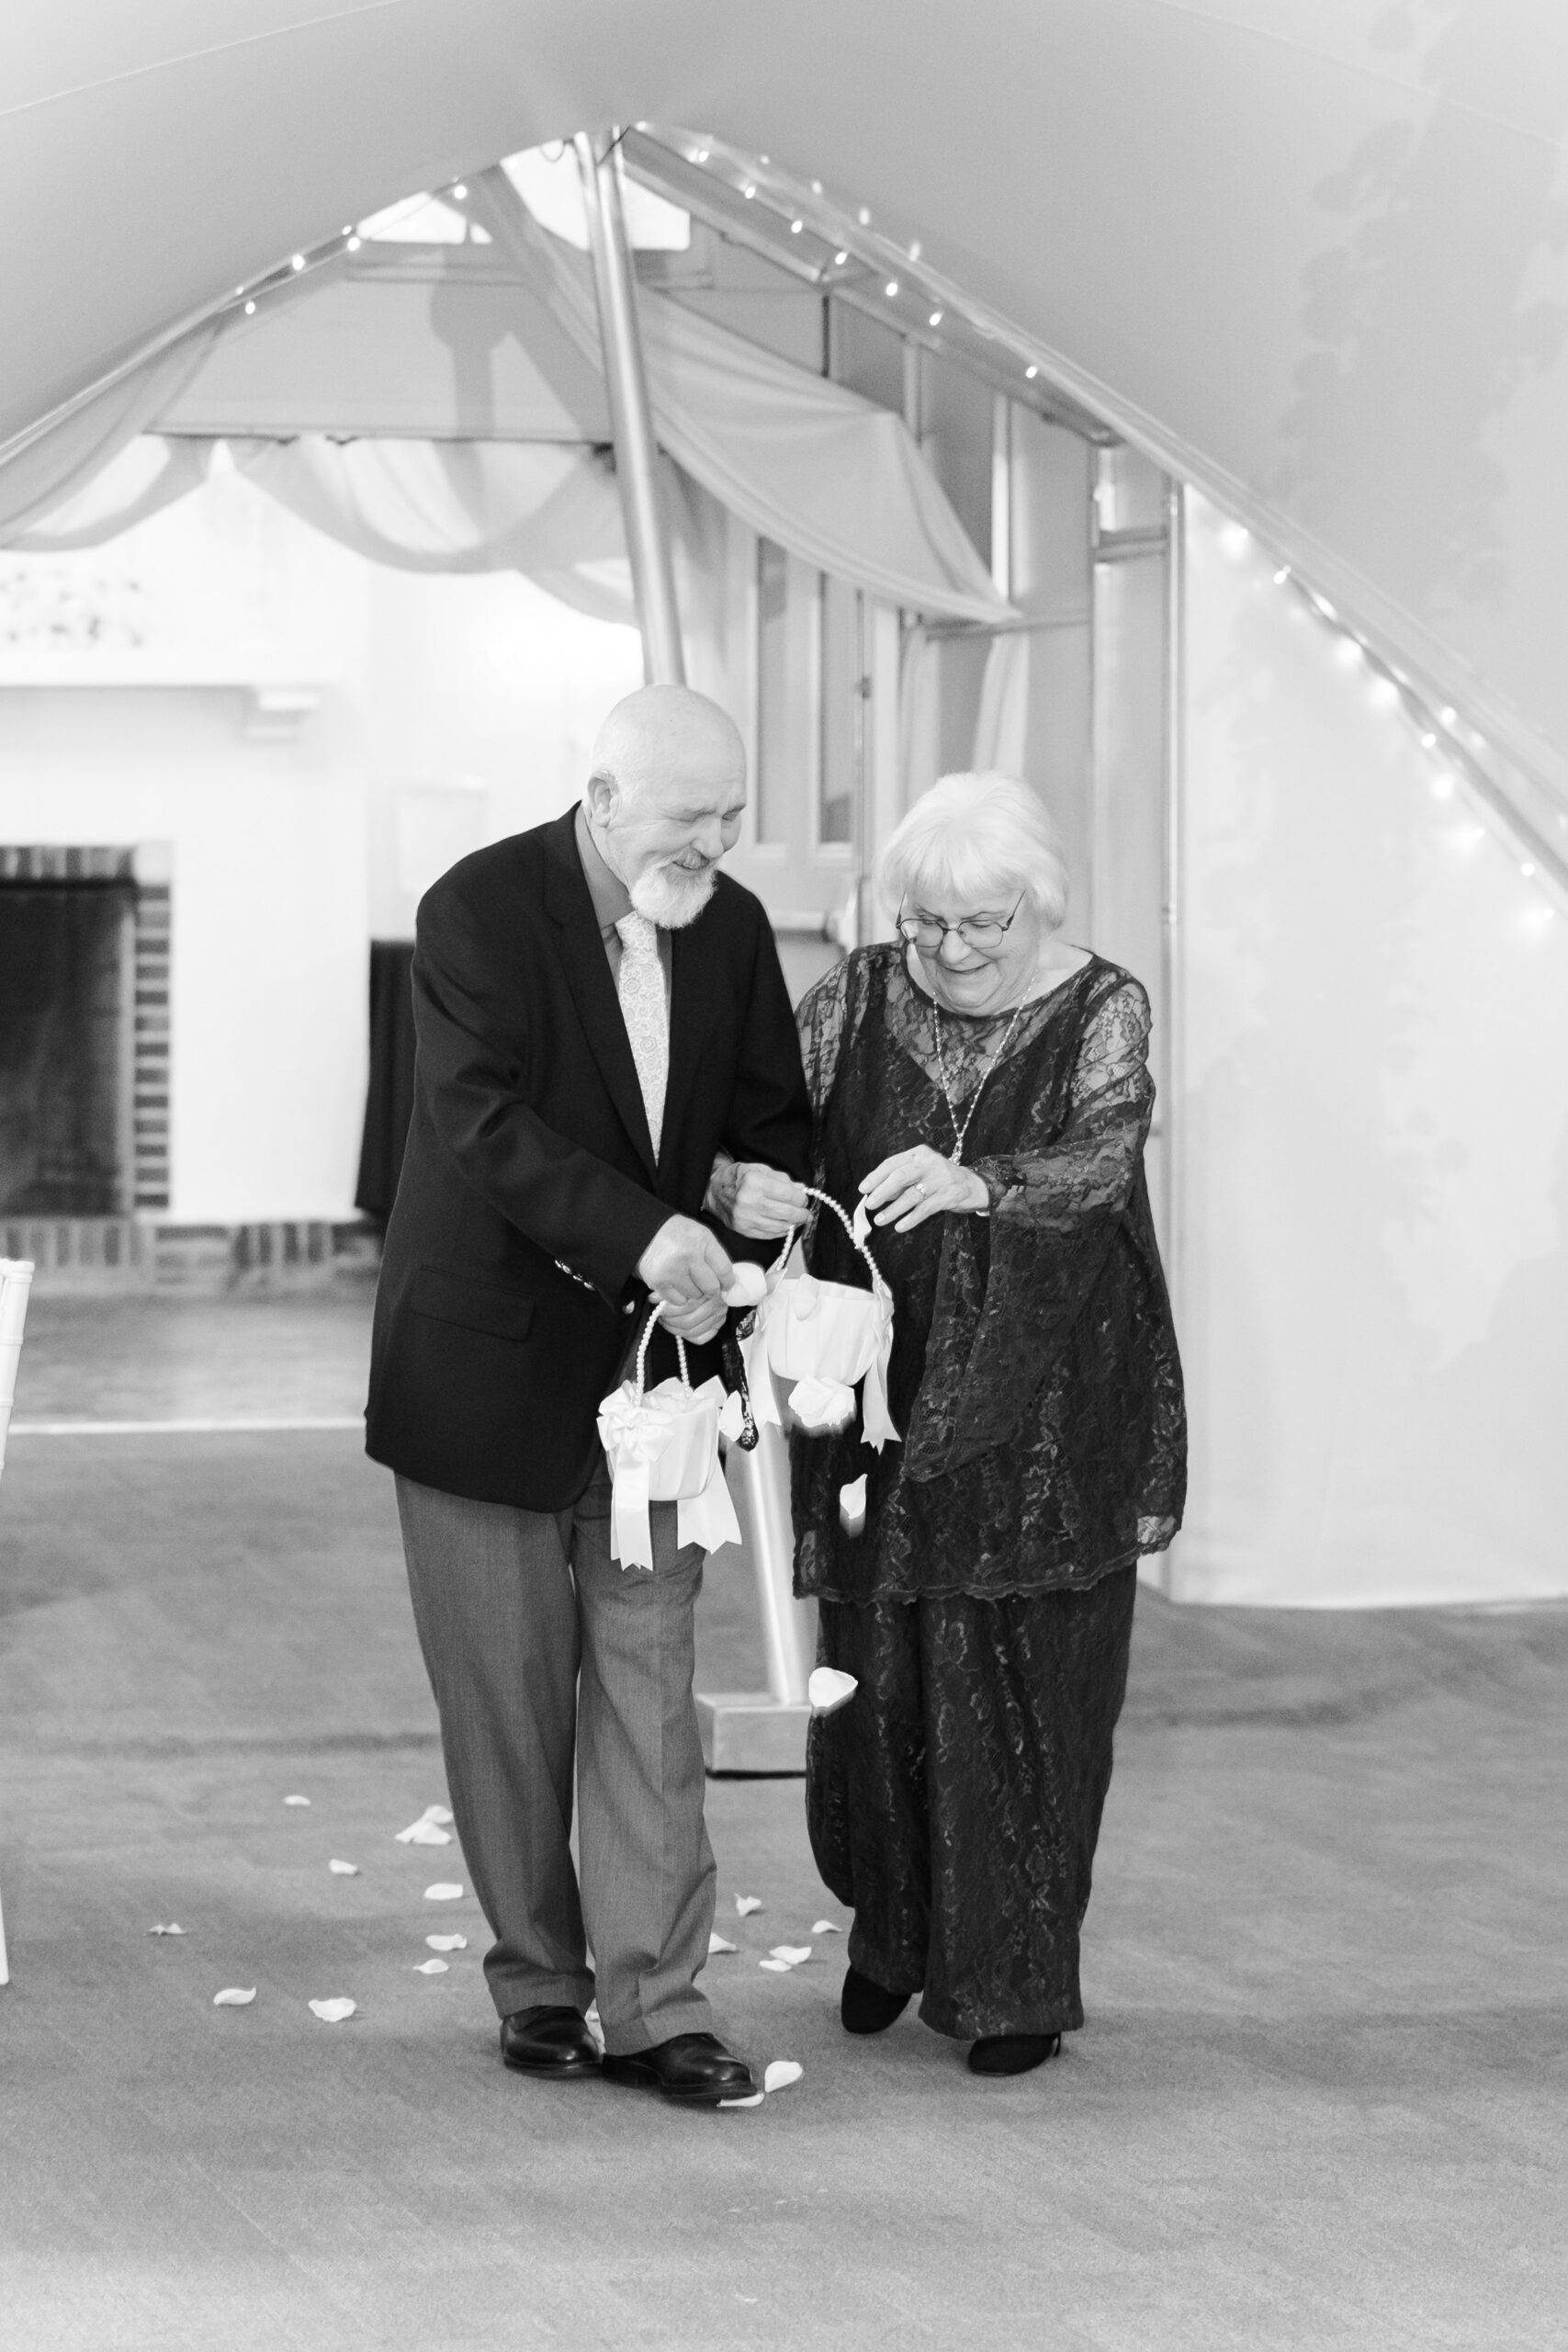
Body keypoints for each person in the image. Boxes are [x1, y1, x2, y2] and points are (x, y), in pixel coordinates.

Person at [366, 684, 810, 2107]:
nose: (717, 845)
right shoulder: (478, 911)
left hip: (659, 1384)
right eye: (693, 818)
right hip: (482, 1368)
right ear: (606, 800)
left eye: (734, 817)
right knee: (504, 1704)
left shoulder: (730, 930)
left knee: (651, 1697)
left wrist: (743, 1192)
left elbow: (764, 1120)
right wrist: (645, 1230)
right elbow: (480, 1124)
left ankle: (658, 2003)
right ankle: (539, 1983)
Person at [723, 771, 1185, 2077]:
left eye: (988, 924)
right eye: (928, 923)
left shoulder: (1103, 1006)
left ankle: (1013, 1982)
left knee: (1022, 1687)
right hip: (875, 1383)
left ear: (1039, 907)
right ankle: (892, 1940)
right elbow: (768, 1124)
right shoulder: (857, 994)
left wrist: (976, 1180)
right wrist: (740, 1189)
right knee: (876, 1677)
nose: (955, 951)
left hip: (1044, 1396)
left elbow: (1102, 1158)